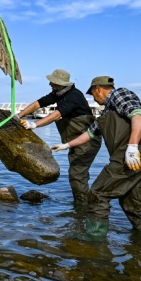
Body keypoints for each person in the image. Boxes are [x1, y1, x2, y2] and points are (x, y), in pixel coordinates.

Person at [52, 76, 141, 237]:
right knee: (134, 202)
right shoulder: (107, 112)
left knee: (98, 193)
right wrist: (67, 145)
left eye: (93, 95)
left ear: (98, 89)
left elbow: (138, 115)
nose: (93, 98)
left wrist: (133, 146)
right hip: (135, 159)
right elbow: (89, 133)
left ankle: (94, 240)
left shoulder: (119, 95)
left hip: (129, 156)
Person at [16, 68, 101, 204]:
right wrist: (18, 116)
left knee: (77, 174)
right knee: (77, 174)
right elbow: (38, 103)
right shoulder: (58, 93)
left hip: (87, 142)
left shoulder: (74, 96)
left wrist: (34, 125)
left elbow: (57, 114)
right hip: (75, 141)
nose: (50, 85)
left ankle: (83, 207)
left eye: (52, 82)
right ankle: (83, 203)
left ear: (61, 84)